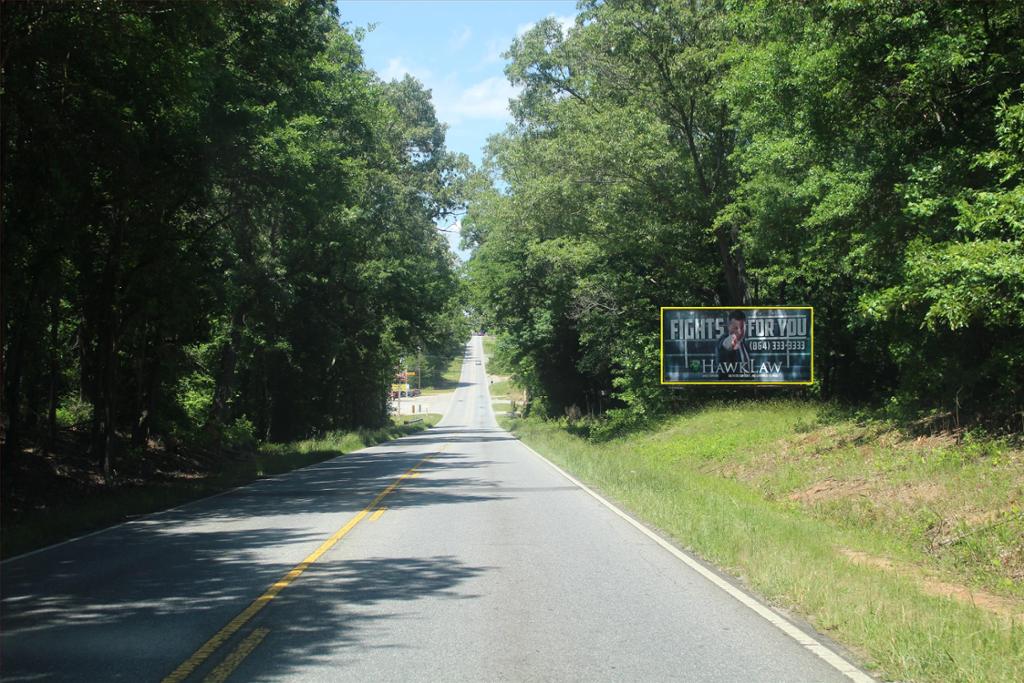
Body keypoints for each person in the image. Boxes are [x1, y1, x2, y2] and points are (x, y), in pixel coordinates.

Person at [717, 310, 751, 374]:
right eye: (736, 328)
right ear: (729, 327)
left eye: (742, 327)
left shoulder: (744, 342)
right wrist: (731, 341)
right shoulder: (723, 340)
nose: (740, 332)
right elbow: (724, 344)